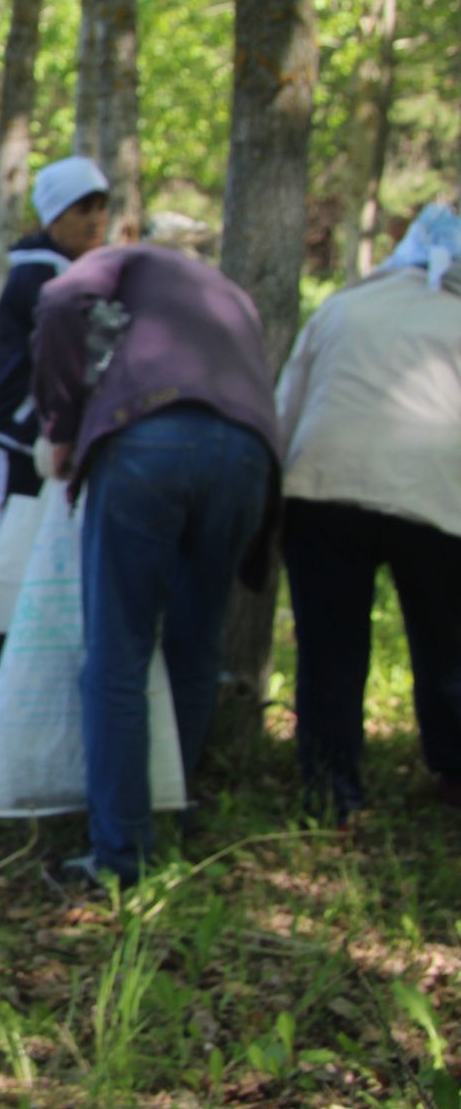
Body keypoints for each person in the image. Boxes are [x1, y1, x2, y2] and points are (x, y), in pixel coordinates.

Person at [31, 243, 281, 886]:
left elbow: (60, 299)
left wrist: (62, 423)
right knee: (196, 647)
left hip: (150, 440)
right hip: (250, 454)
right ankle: (172, 807)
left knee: (118, 652)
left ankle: (121, 854)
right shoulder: (231, 295)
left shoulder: (125, 257)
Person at [276, 202, 461, 819]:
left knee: (330, 648)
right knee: (447, 647)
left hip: (323, 491)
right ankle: (454, 773)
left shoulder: (343, 306)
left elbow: (288, 407)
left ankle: (332, 792)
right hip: (434, 499)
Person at [0, 156, 110, 706]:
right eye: (81, 209)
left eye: (101, 207)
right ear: (54, 216)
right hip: (11, 433)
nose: (95, 220)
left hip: (41, 435)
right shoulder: (40, 277)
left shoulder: (63, 273)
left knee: (26, 550)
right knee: (1, 546)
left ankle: (9, 669)